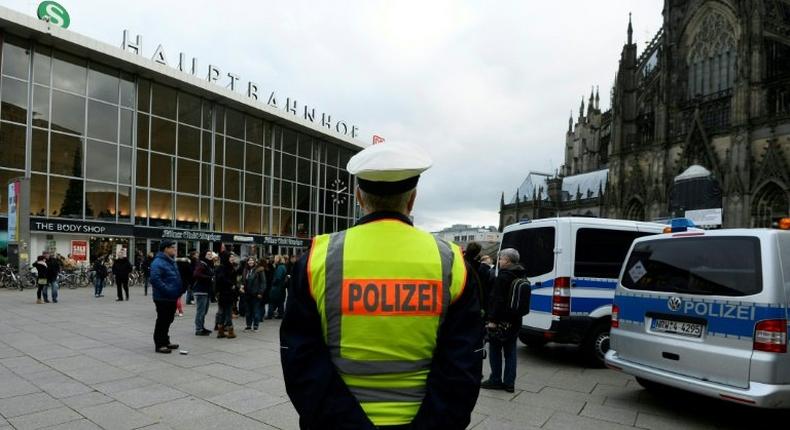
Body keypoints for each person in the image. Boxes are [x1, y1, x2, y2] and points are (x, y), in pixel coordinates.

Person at [281, 141, 484, 429]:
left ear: (358, 197)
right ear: (412, 199)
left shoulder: (318, 258)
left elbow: (301, 360)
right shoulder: (451, 261)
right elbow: (463, 366)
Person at [481, 248, 526, 393]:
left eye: (500, 259)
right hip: (515, 320)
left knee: (494, 349)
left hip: (501, 321)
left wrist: (492, 320)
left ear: (507, 260)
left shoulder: (503, 277)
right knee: (511, 351)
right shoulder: (521, 274)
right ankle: (509, 383)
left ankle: (495, 380)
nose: (499, 261)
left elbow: (496, 300)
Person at [149, 240, 184, 354]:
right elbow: (155, 279)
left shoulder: (170, 261)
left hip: (172, 296)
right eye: (172, 247)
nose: (175, 249)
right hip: (163, 297)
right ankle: (159, 344)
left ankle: (165, 341)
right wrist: (168, 291)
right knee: (162, 320)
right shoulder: (158, 262)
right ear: (166, 249)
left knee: (168, 319)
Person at [214, 251, 237, 339]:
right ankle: (230, 331)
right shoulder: (224, 267)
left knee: (222, 312)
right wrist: (231, 284)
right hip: (226, 293)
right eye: (230, 256)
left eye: (233, 256)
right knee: (227, 312)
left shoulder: (225, 266)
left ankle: (221, 331)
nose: (232, 258)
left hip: (223, 293)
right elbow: (221, 279)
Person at [193, 250, 216, 336]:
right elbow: (196, 274)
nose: (210, 256)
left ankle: (202, 327)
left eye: (211, 254)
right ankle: (198, 329)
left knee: (204, 311)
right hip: (201, 290)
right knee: (201, 311)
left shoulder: (208, 264)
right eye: (208, 254)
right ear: (204, 255)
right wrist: (209, 278)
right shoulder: (201, 263)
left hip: (206, 291)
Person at [242, 257, 267, 331]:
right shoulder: (245, 270)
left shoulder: (259, 270)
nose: (250, 262)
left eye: (252, 260)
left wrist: (260, 292)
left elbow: (263, 283)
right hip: (247, 293)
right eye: (249, 261)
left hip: (256, 294)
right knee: (248, 311)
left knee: (256, 310)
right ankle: (248, 325)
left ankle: (256, 325)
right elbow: (243, 281)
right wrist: (241, 286)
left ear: (255, 262)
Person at [267, 255, 287, 319]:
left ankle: (270, 315)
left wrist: (273, 283)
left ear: (278, 259)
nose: (274, 260)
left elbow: (278, 277)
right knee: (280, 302)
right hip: (281, 287)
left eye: (275, 259)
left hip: (277, 287)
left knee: (272, 301)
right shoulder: (283, 266)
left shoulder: (280, 267)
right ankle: (281, 314)